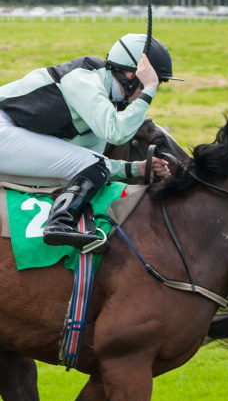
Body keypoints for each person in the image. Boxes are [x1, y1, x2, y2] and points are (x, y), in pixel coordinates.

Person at [0, 33, 180, 249]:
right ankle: (59, 223)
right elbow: (116, 133)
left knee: (93, 166)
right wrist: (149, 90)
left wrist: (136, 168)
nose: (152, 92)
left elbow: (90, 165)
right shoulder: (85, 77)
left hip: (8, 138)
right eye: (151, 83)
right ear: (132, 75)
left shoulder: (101, 101)